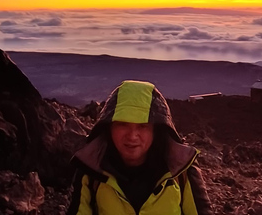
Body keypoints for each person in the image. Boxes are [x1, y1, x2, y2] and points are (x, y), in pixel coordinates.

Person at [67, 80, 213, 215]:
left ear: (157, 131)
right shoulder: (91, 170)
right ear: (109, 128)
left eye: (142, 126)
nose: (132, 136)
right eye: (122, 124)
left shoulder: (181, 169)